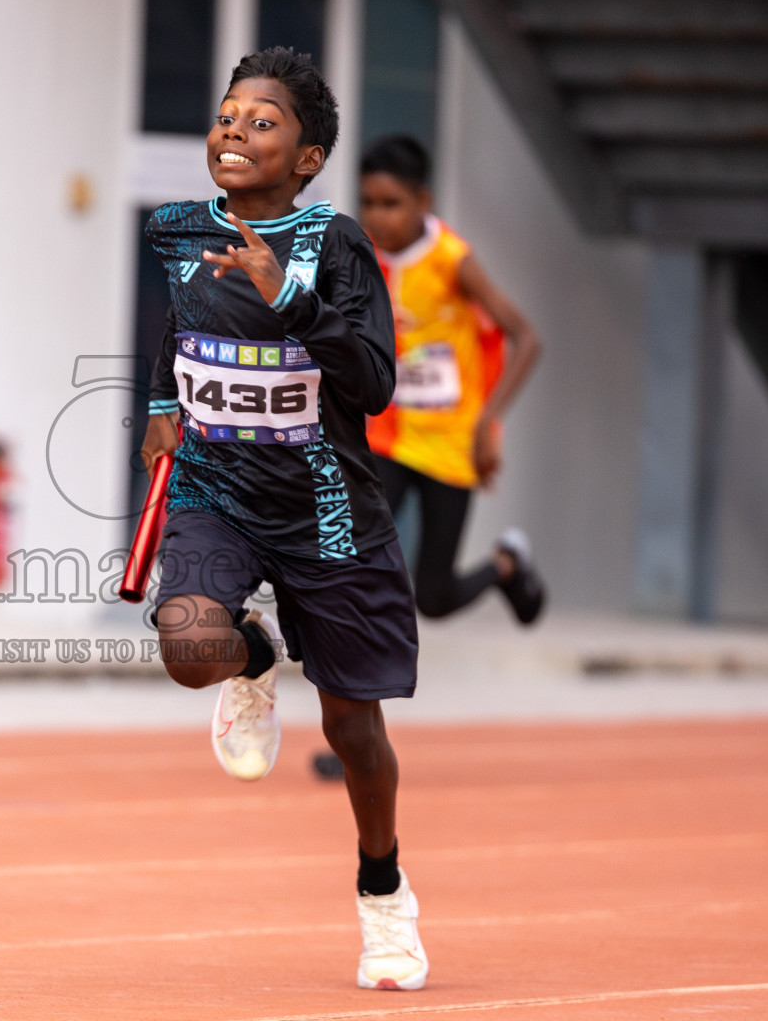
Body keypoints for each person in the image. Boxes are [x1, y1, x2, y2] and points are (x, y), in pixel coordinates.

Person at [139, 48, 428, 991]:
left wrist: (288, 300)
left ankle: (383, 895)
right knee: (189, 646)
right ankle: (253, 660)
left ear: (307, 157)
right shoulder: (179, 231)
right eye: (227, 115)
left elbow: (375, 386)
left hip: (326, 507)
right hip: (215, 488)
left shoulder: (336, 244)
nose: (233, 130)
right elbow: (177, 333)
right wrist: (156, 407)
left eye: (261, 121)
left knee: (354, 732)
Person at [360, 134, 545, 626]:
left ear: (423, 201)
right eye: (369, 203)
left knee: (435, 598)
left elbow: (526, 339)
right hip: (389, 437)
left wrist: (488, 424)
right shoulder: (362, 257)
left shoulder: (452, 261)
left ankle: (507, 566)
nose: (378, 217)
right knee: (352, 546)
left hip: (451, 441)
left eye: (392, 204)